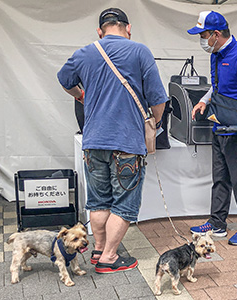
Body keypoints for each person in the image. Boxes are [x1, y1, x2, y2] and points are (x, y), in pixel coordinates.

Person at [57, 8, 167, 272]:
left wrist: (80, 95)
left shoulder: (85, 53)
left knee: (98, 200)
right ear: (128, 29)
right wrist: (156, 123)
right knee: (125, 204)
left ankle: (97, 250)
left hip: (93, 141)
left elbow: (63, 79)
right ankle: (109, 257)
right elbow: (158, 99)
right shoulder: (140, 51)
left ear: (100, 31)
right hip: (127, 143)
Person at [187, 11, 237, 246]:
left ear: (216, 34)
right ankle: (218, 224)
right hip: (219, 125)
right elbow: (217, 87)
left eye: (203, 35)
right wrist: (203, 100)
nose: (201, 39)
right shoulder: (216, 54)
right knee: (220, 178)